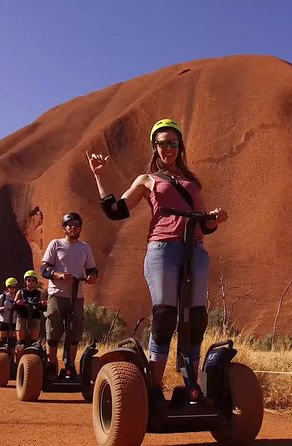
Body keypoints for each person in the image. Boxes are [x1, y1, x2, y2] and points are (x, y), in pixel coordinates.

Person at [87, 118, 228, 398]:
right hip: (162, 249)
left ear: (180, 146)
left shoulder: (191, 182)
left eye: (173, 143)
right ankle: (154, 386)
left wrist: (215, 218)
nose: (169, 149)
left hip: (195, 249)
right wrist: (99, 177)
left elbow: (204, 225)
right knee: (165, 316)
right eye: (163, 143)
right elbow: (116, 210)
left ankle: (191, 386)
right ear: (154, 146)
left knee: (195, 317)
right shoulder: (146, 180)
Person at [40, 212, 98, 376]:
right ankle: (52, 365)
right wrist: (58, 275)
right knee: (53, 332)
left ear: (80, 228)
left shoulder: (85, 248)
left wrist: (92, 276)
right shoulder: (55, 244)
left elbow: (92, 269)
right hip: (57, 295)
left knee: (74, 333)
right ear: (64, 228)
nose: (73, 227)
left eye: (77, 225)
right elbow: (44, 269)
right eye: (70, 225)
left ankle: (70, 366)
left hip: (77, 296)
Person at [13, 270, 45, 352]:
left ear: (36, 282)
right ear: (25, 281)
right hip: (22, 316)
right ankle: (18, 362)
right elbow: (14, 303)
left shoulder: (39, 293)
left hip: (35, 316)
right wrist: (18, 302)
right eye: (28, 280)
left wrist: (43, 303)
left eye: (33, 280)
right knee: (20, 344)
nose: (31, 282)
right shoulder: (21, 292)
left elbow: (43, 304)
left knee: (34, 343)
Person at [0, 277, 18, 348]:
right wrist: (2, 308)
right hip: (3, 322)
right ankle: (1, 357)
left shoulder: (19, 296)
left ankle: (12, 358)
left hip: (14, 322)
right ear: (7, 287)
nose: (12, 288)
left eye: (13, 287)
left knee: (13, 342)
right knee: (2, 342)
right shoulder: (3, 296)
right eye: (10, 287)